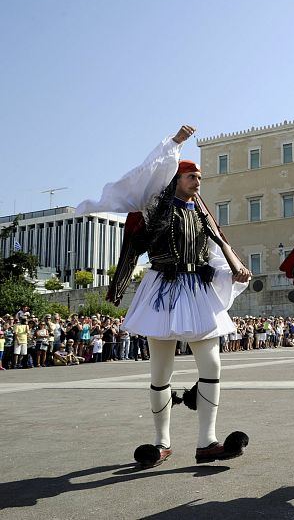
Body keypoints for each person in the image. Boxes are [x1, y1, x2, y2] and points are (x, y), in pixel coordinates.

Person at [76, 125, 250, 469]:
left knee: (212, 364)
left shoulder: (202, 215)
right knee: (160, 370)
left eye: (199, 177)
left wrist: (235, 266)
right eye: (190, 176)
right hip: (163, 287)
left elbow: (217, 245)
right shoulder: (156, 209)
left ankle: (207, 442)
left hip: (197, 288)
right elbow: (133, 242)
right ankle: (161, 442)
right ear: (176, 179)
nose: (197, 181)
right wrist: (174, 144)